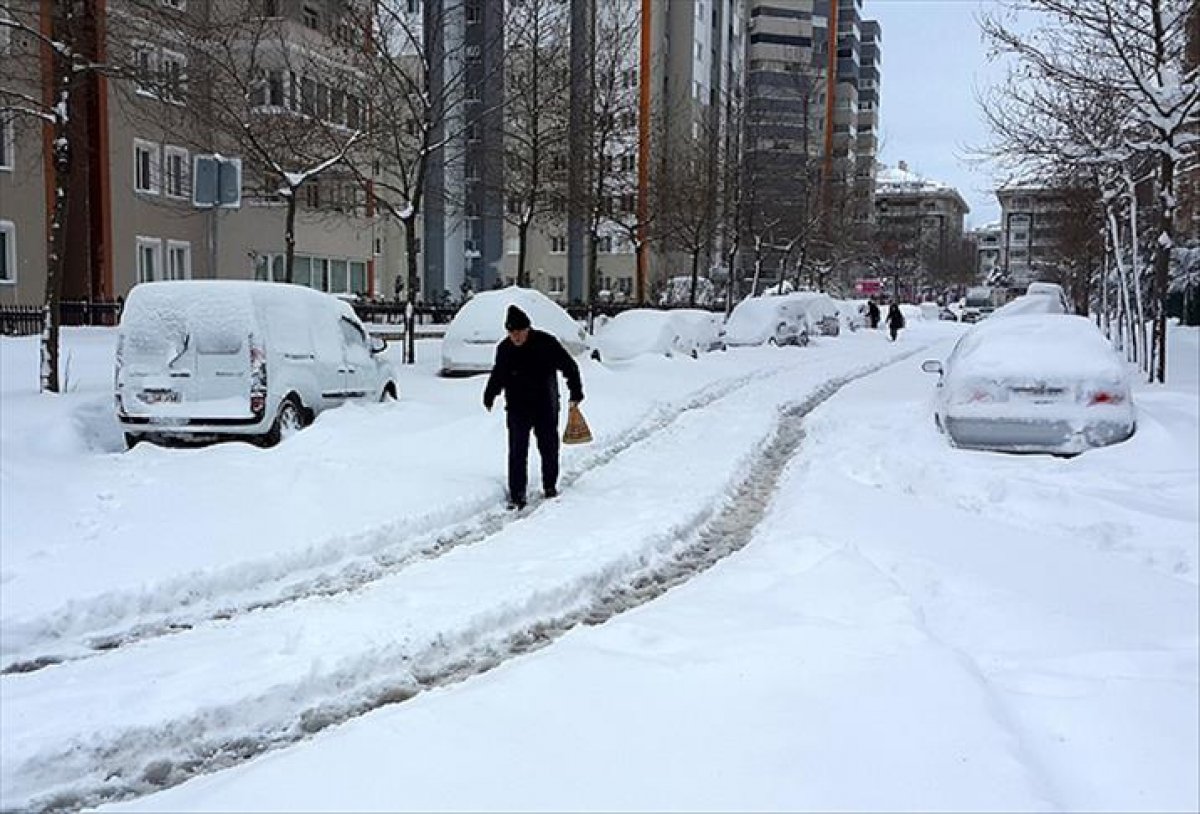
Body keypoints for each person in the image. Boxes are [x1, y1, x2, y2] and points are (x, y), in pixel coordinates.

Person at [484, 304, 584, 510]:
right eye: (512, 332)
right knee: (517, 450)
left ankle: (549, 485)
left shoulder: (545, 343)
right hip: (517, 407)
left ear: (528, 329)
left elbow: (569, 366)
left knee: (548, 447)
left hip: (545, 404)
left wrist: (575, 392)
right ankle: (517, 494)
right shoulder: (504, 349)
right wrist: (490, 393)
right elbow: (498, 374)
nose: (516, 337)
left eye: (519, 332)